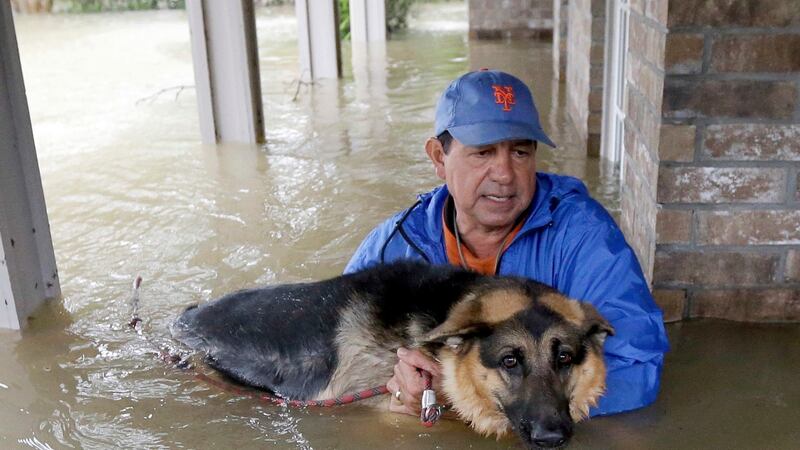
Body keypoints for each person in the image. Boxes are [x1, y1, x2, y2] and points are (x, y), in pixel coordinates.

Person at [344, 69, 669, 417]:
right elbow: (335, 357)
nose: (504, 174)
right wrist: (396, 394)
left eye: (520, 152)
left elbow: (637, 366)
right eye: (483, 153)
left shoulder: (582, 236)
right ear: (439, 157)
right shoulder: (395, 245)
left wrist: (477, 401)